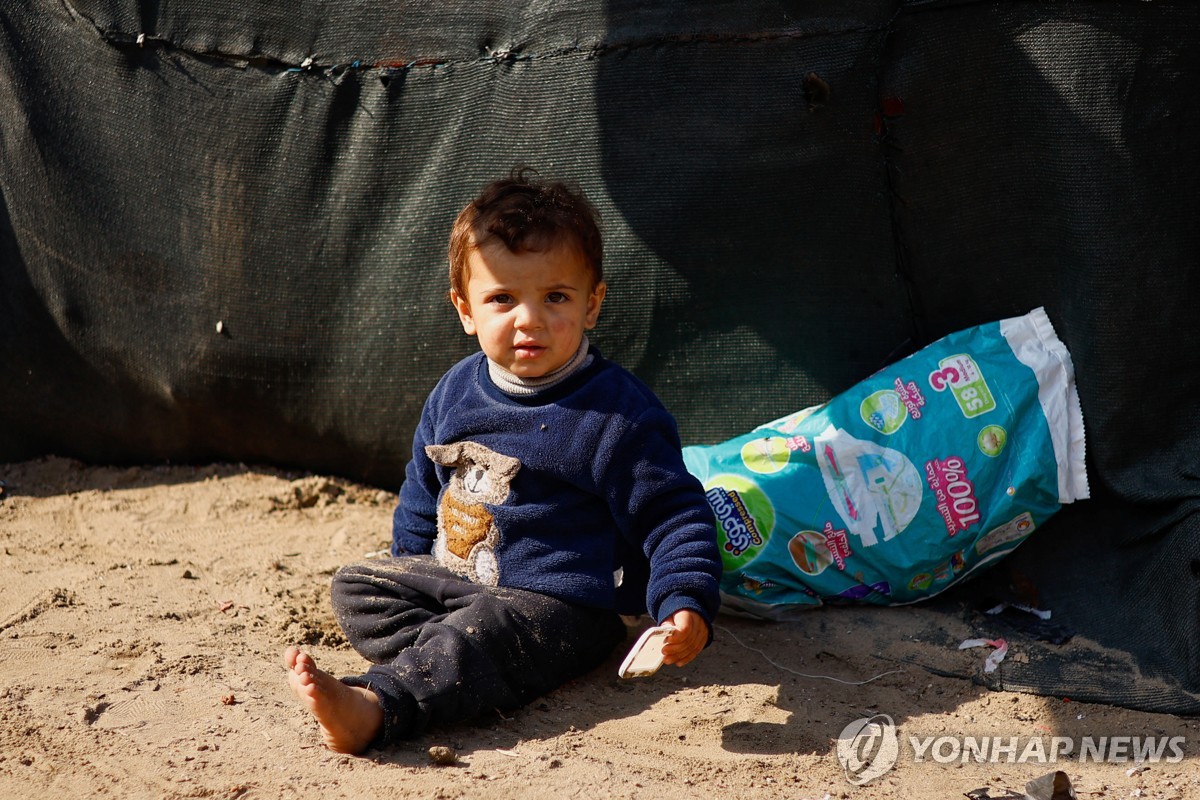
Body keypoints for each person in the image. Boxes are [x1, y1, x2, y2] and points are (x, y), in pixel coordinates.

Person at [284, 169, 722, 754]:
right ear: (465, 309)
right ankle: (466, 663)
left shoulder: (619, 417)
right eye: (502, 299)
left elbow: (675, 515)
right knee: (359, 587)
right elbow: (423, 489)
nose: (529, 320)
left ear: (593, 303)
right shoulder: (454, 392)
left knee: (492, 632)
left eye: (556, 297)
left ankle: (380, 705)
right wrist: (412, 566)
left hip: (561, 610)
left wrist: (683, 602)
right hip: (461, 586)